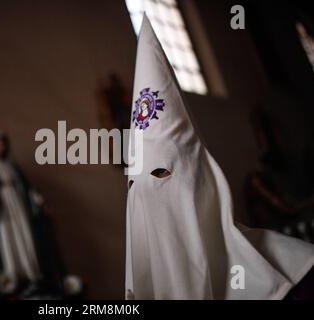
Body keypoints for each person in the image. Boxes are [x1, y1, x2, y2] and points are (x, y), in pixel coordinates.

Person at [125, 16, 314, 300]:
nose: (148, 193)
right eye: (133, 185)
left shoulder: (299, 277)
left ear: (202, 176)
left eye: (161, 173)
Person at [0, 130, 41, 297]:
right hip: (2, 205)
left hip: (18, 203)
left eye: (4, 144)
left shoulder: (13, 167)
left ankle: (31, 272)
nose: (2, 147)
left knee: (25, 233)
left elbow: (27, 187)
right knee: (8, 236)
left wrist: (36, 199)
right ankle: (14, 275)